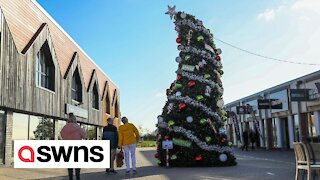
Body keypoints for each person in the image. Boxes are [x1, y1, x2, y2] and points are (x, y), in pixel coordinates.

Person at [60, 113, 86, 180]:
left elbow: (62, 135)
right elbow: (84, 136)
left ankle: (70, 178)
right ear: (75, 119)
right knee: (77, 167)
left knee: (70, 168)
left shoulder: (64, 128)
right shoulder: (78, 127)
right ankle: (78, 178)